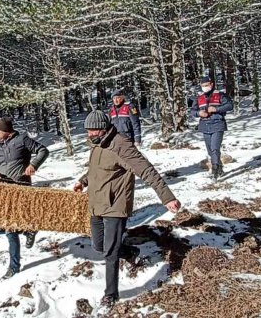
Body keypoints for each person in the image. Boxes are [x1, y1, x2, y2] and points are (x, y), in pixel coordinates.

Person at [73, 111, 181, 307]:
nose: (88, 133)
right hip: (96, 203)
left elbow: (147, 170)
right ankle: (130, 252)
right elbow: (97, 169)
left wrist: (167, 197)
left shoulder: (122, 146)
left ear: (103, 129)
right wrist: (83, 181)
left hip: (115, 205)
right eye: (87, 130)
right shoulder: (97, 144)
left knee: (110, 252)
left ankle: (111, 294)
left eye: (92, 130)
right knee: (99, 246)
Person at [0, 117, 50, 280]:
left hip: (22, 188)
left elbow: (43, 150)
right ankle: (28, 230)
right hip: (4, 191)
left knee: (10, 230)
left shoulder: (22, 140)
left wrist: (33, 165)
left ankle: (14, 266)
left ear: (5, 130)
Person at [190, 76, 233, 181]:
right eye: (203, 86)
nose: (205, 87)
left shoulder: (220, 95)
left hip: (217, 124)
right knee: (210, 150)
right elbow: (192, 111)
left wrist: (216, 109)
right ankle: (219, 167)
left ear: (211, 84)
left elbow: (230, 105)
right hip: (205, 126)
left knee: (214, 148)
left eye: (206, 85)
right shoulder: (199, 98)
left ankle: (215, 170)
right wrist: (198, 113)